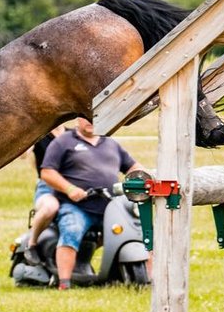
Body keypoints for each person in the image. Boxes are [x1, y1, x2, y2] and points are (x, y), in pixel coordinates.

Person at [39, 116, 145, 290]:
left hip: (109, 207)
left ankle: (148, 279)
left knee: (135, 231)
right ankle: (64, 283)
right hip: (76, 206)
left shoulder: (110, 143)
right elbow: (47, 173)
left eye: (94, 117)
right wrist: (70, 189)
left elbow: (133, 167)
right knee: (71, 229)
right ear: (76, 120)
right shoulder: (63, 142)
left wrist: (143, 176)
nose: (91, 121)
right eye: (86, 118)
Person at [21, 125, 67, 266]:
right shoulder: (39, 133)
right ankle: (31, 244)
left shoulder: (72, 134)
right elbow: (22, 155)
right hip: (47, 186)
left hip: (73, 184)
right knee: (50, 207)